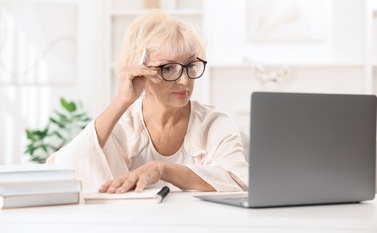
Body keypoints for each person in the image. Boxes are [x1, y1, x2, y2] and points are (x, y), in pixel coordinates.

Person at [47, 10, 248, 193]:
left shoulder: (214, 123)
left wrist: (162, 169)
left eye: (190, 65)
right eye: (168, 68)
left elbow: (240, 183)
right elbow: (61, 173)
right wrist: (121, 101)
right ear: (140, 71)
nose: (185, 80)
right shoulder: (122, 126)